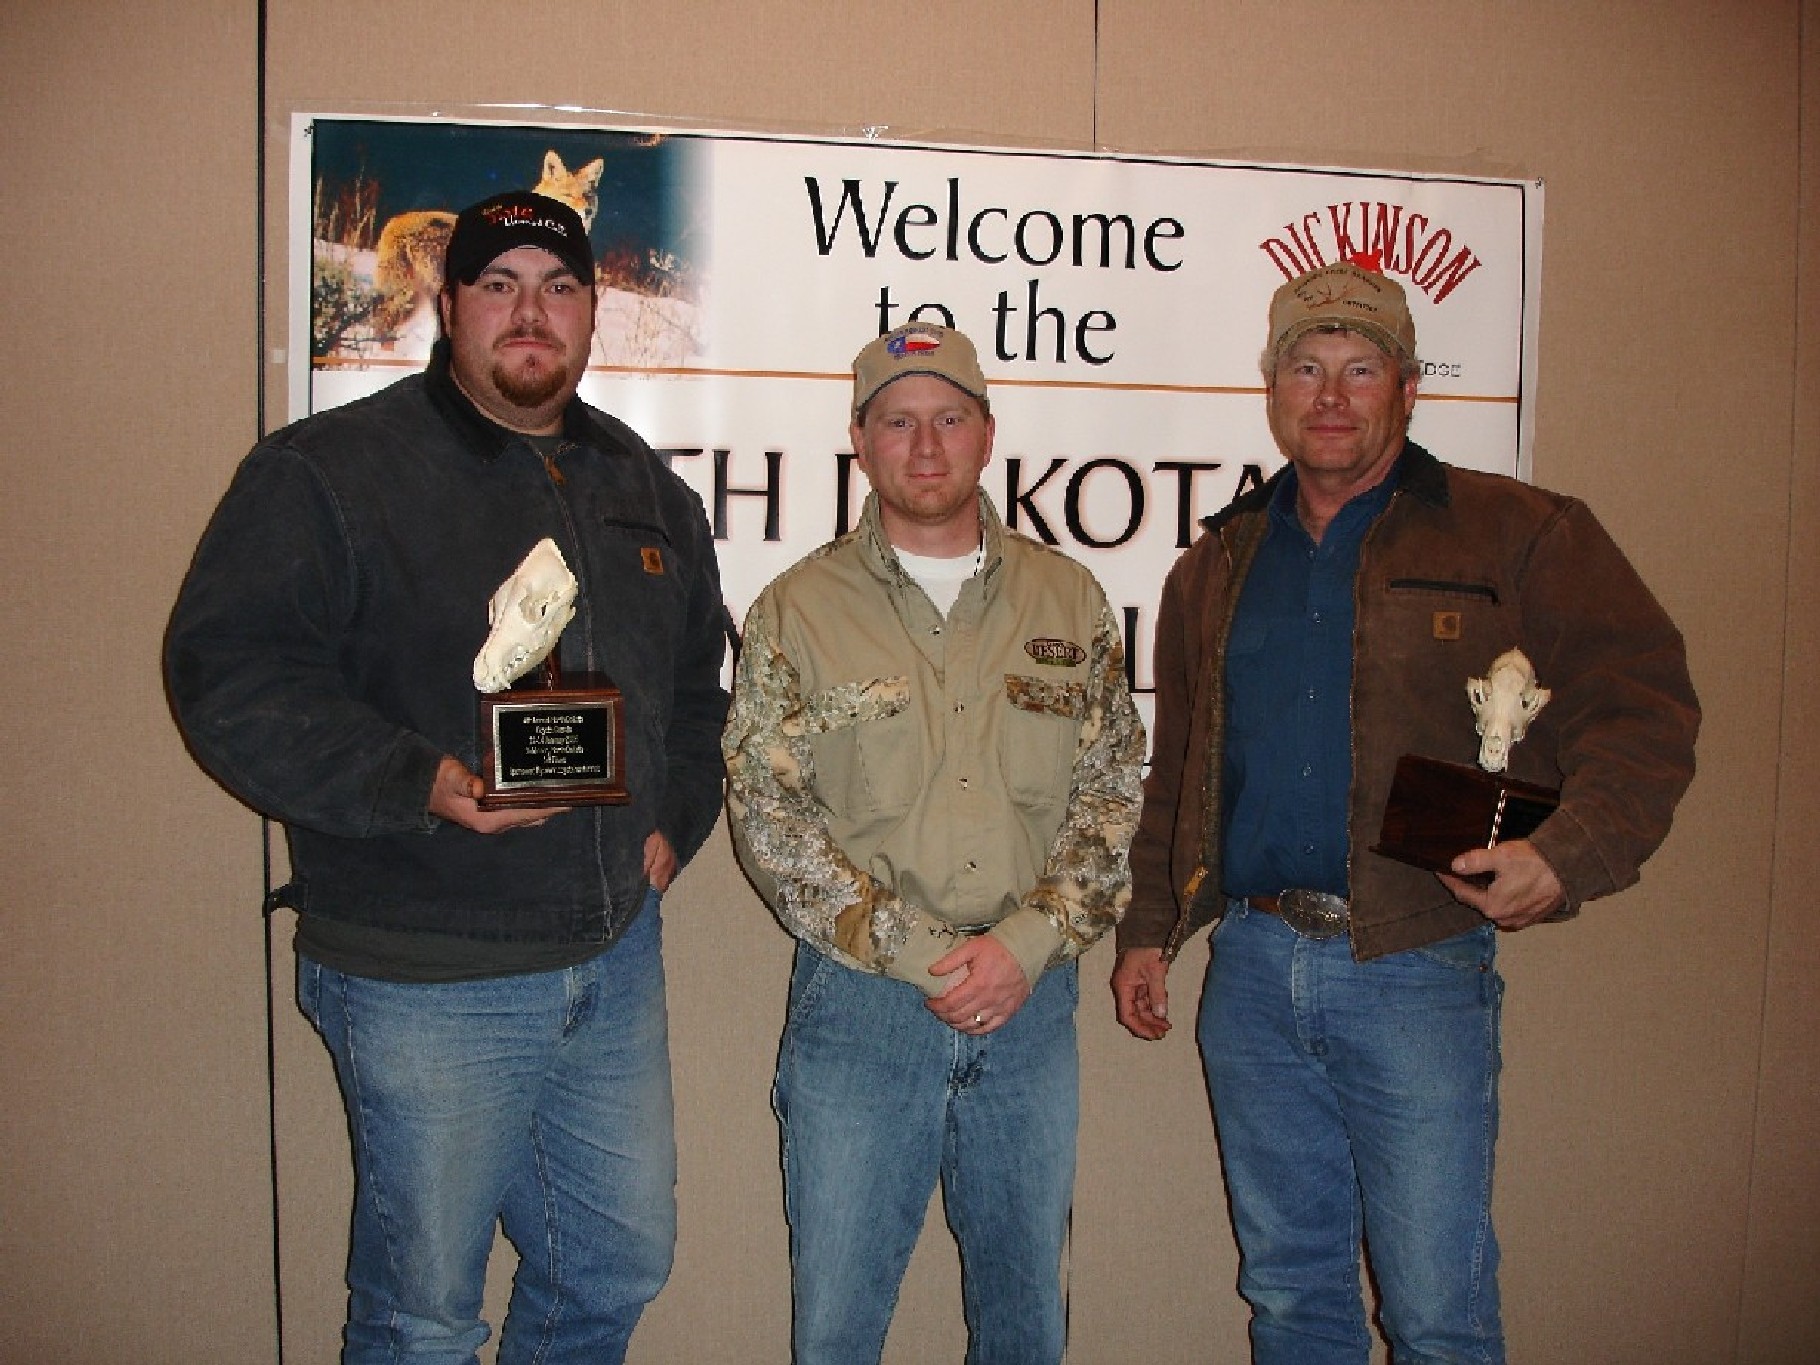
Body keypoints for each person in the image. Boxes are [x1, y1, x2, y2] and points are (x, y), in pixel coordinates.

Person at [165, 191, 729, 1365]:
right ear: (447, 301)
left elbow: (694, 693)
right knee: (423, 1315)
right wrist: (416, 778)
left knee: (612, 1264)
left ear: (592, 311)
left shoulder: (645, 488)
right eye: (498, 285)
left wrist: (675, 818)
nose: (531, 313)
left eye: (558, 288)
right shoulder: (326, 472)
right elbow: (230, 675)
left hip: (609, 957)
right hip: (427, 967)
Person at [1112, 260, 1699, 1364]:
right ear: (1270, 387)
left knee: (1434, 1312)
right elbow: (1180, 769)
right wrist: (1150, 927)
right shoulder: (1218, 563)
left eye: (1360, 368)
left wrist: (1566, 854)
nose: (1330, 395)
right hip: (1250, 971)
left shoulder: (1518, 532)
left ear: (1409, 386)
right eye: (1305, 368)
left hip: (1415, 968)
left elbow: (1643, 706)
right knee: (1290, 1300)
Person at [722, 320, 1145, 1365]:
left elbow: (1109, 795)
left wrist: (1026, 945)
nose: (924, 446)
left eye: (949, 419)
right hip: (860, 1008)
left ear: (987, 434)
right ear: (859, 440)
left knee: (1026, 1329)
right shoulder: (796, 611)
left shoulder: (1068, 600)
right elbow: (770, 821)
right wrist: (923, 956)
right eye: (897, 422)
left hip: (1029, 1006)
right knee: (835, 1330)